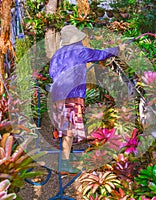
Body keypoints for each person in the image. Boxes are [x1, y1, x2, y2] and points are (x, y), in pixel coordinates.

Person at [49, 25, 126, 174]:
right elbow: (100, 54)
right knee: (69, 130)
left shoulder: (57, 54)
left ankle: (66, 157)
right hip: (72, 95)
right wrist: (118, 49)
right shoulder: (80, 52)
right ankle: (64, 165)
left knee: (64, 128)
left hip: (57, 95)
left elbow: (52, 72)